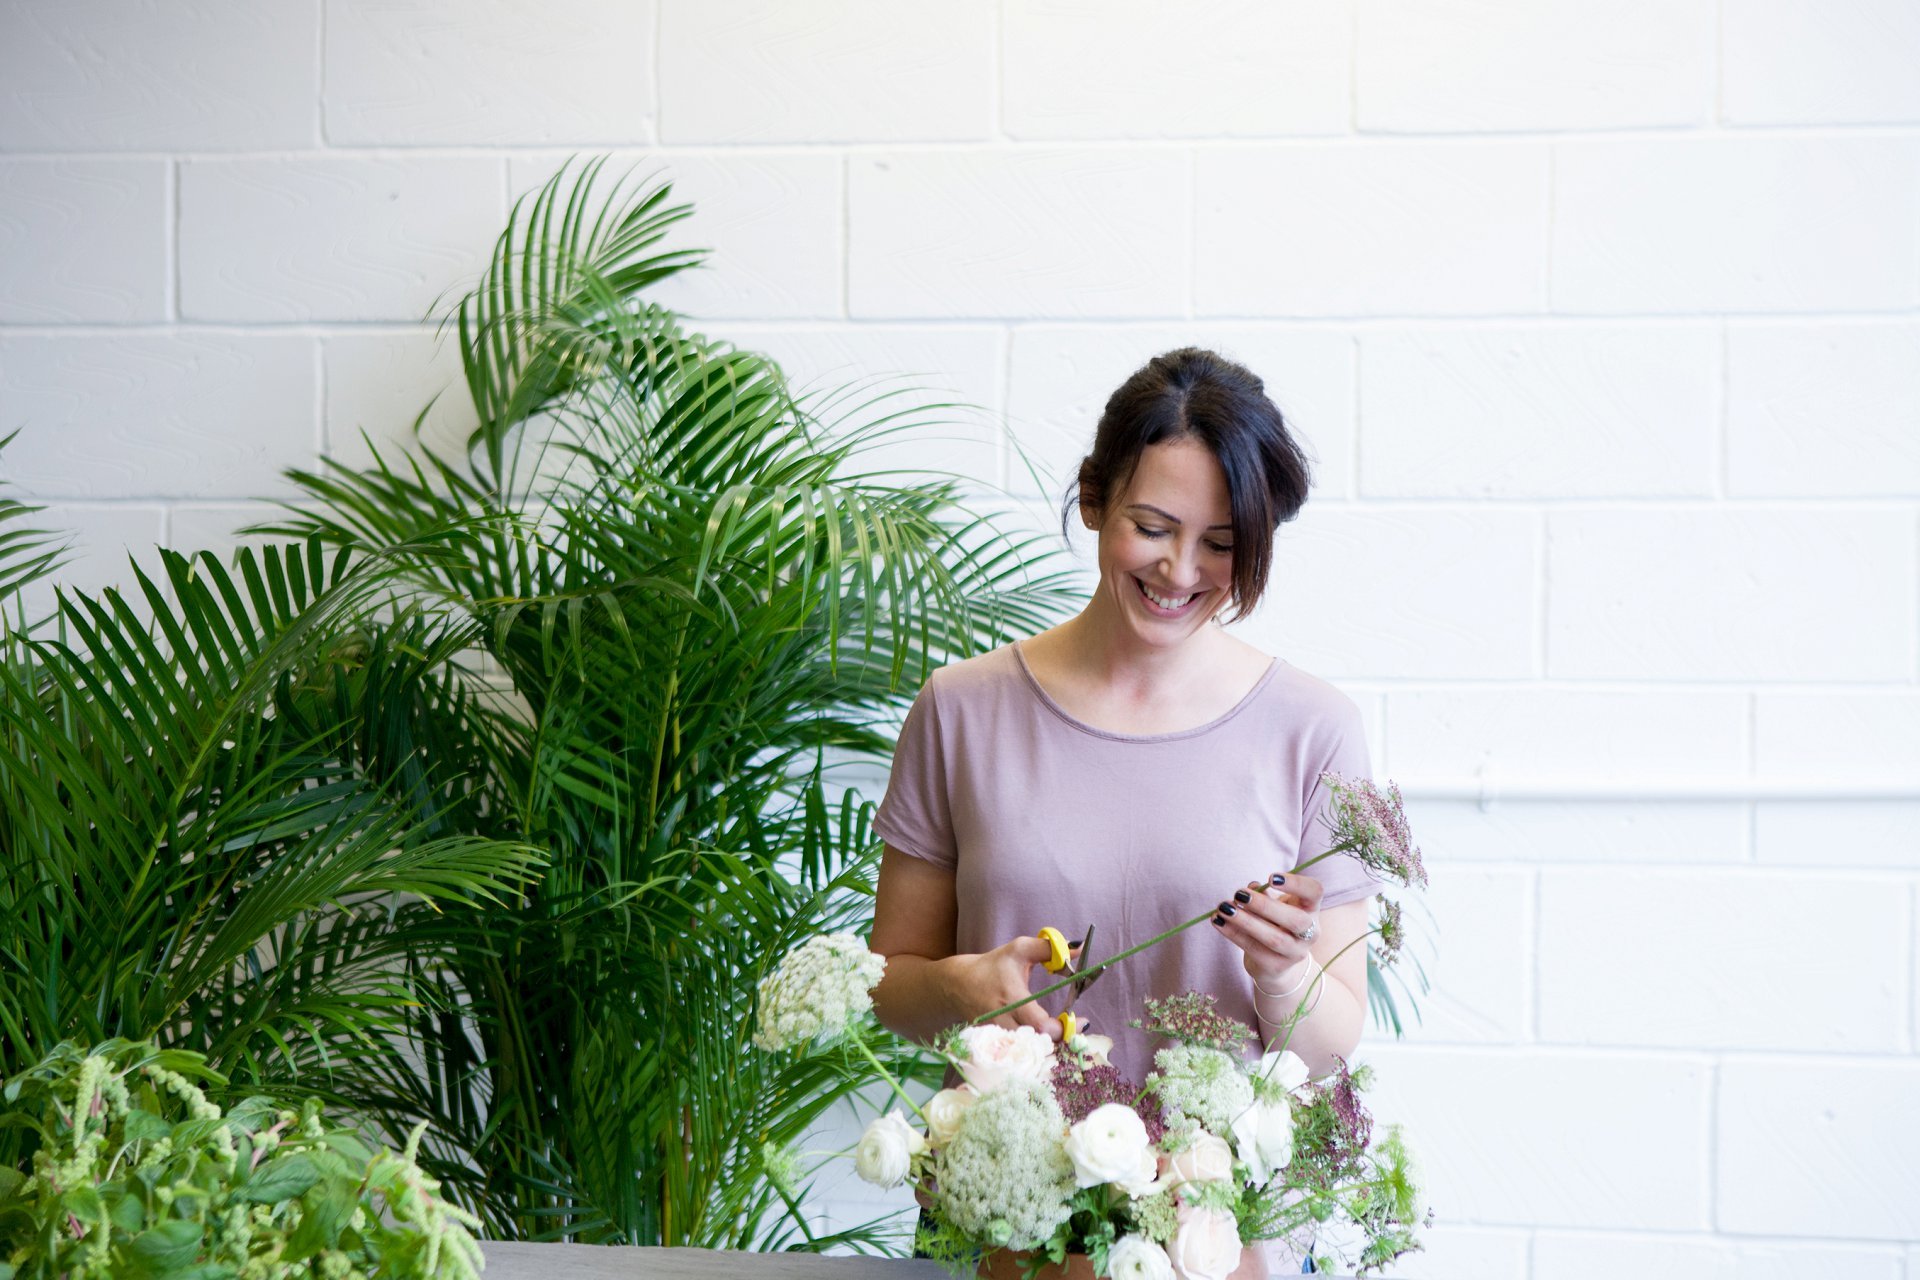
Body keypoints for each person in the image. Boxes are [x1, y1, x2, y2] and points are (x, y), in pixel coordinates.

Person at [868, 347, 1378, 1271]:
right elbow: (892, 983)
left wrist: (1281, 975)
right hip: (1010, 1241)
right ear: (1094, 498)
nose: (1182, 570)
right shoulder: (962, 709)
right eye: (1153, 525)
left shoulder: (1315, 730)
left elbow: (1336, 1036)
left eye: (1222, 545)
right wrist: (962, 988)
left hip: (1223, 1249)